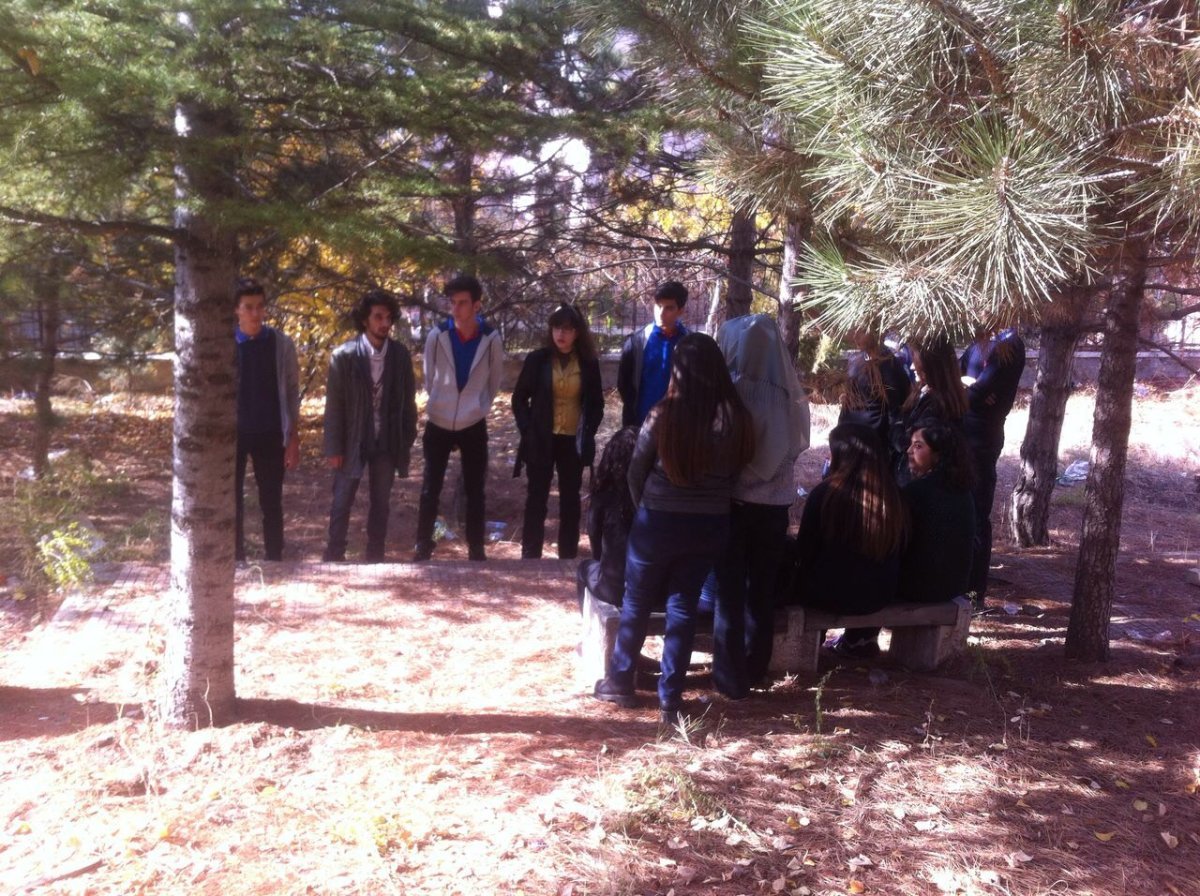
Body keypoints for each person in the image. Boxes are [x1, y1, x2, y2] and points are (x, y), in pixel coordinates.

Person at [593, 333, 756, 725]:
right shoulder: (737, 418)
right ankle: (670, 699)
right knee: (683, 606)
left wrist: (646, 509)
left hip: (658, 522)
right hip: (710, 525)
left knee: (636, 601)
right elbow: (736, 472)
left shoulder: (663, 414)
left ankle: (620, 681)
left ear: (679, 371)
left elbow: (635, 471)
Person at [709, 314, 811, 698]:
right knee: (761, 591)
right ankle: (755, 668)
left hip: (735, 505)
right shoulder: (789, 397)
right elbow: (796, 447)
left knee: (729, 591)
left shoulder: (731, 391)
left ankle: (728, 675)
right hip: (774, 507)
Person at [838, 422, 974, 657]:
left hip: (921, 588)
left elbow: (889, 543)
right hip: (954, 585)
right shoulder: (964, 493)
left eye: (918, 446)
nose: (909, 451)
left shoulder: (917, 492)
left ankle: (858, 640)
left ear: (938, 455)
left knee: (873, 562)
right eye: (910, 445)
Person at [413, 274, 505, 562]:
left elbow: (494, 382)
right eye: (452, 302)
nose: (456, 309)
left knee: (475, 490)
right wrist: (441, 402)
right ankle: (423, 545)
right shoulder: (437, 335)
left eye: (462, 303)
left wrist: (478, 407)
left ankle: (476, 549)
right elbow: (429, 378)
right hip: (439, 421)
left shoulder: (491, 339)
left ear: (477, 305)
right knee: (431, 487)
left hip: (473, 422)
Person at [321, 290, 418, 563]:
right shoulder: (344, 356)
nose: (384, 323)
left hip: (386, 439)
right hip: (353, 438)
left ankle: (375, 557)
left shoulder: (399, 355)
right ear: (365, 320)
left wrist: (405, 438)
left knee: (381, 501)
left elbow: (408, 403)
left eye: (388, 318)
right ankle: (334, 555)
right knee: (342, 499)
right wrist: (334, 447)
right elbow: (334, 406)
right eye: (378, 317)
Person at [512, 304, 605, 559]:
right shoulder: (538, 360)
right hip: (541, 438)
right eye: (556, 328)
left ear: (577, 333)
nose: (560, 334)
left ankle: (567, 556)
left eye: (567, 329)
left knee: (570, 501)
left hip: (572, 440)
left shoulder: (588, 364)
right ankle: (530, 556)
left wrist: (588, 431)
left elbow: (597, 404)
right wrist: (528, 429)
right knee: (536, 497)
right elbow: (519, 399)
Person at [790, 423, 906, 622]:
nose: (828, 458)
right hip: (879, 595)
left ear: (842, 456)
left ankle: (824, 637)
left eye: (831, 452)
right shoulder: (894, 495)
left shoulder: (825, 494)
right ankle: (862, 637)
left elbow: (804, 550)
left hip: (826, 594)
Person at [233, 278, 301, 562]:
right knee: (231, 500)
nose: (255, 313)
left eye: (260, 306)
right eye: (248, 307)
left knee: (271, 501)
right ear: (236, 310)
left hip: (271, 432)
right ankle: (236, 558)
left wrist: (293, 438)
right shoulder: (225, 345)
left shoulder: (280, 344)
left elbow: (292, 392)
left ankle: (274, 559)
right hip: (233, 435)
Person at [960, 326, 1026, 604]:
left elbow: (980, 391)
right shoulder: (978, 343)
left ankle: (974, 594)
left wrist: (971, 389)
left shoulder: (1010, 345)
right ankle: (956, 584)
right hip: (961, 435)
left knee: (976, 515)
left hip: (983, 440)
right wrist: (969, 387)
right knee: (959, 511)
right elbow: (955, 380)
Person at [890, 335, 968, 486]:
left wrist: (896, 423)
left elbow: (905, 443)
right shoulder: (925, 392)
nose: (912, 367)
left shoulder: (938, 405)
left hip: (918, 483)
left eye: (916, 362)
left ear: (933, 366)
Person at [576, 426, 639, 607]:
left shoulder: (604, 495)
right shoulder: (654, 495)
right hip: (655, 591)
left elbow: (595, 538)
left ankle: (588, 620)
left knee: (584, 568)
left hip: (615, 589)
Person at [616, 281, 690, 427]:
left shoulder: (690, 343)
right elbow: (624, 385)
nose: (661, 313)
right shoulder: (637, 342)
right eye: (659, 306)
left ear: (681, 311)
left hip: (679, 427)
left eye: (669, 308)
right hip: (641, 424)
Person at [839, 328, 911, 458]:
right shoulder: (856, 360)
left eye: (861, 331)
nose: (855, 336)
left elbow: (897, 410)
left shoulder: (890, 365)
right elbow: (848, 402)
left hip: (873, 448)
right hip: (848, 440)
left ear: (876, 332)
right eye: (854, 331)